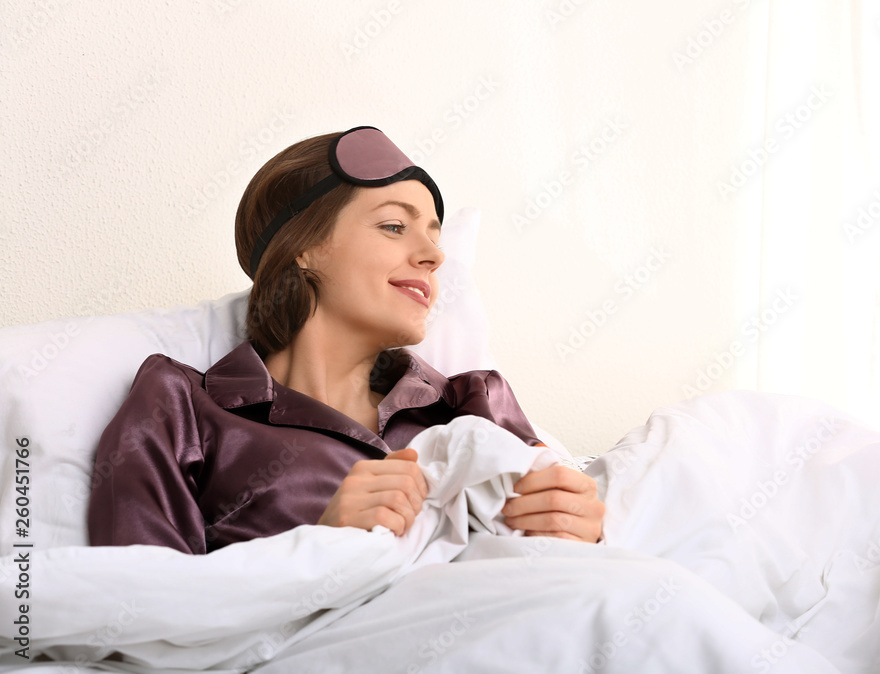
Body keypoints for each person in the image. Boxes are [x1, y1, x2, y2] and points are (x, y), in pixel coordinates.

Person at [86, 126, 605, 554]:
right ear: (304, 247)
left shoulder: (470, 403)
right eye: (394, 227)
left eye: (434, 235)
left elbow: (562, 562)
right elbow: (132, 607)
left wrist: (581, 522)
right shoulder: (183, 408)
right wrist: (319, 545)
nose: (433, 255)